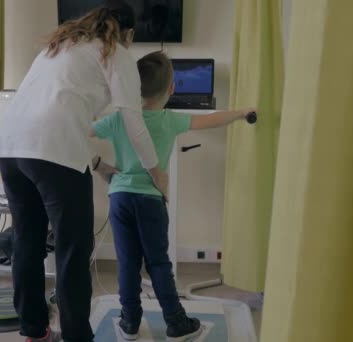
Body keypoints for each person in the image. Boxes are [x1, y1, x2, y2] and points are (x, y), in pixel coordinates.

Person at [0, 2, 168, 341]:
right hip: (52, 153)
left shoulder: (58, 48)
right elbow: (134, 122)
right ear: (127, 32)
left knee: (27, 242)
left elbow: (60, 113)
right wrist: (157, 173)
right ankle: (75, 337)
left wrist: (98, 165)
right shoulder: (116, 53)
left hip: (11, 148)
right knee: (72, 250)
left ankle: (34, 332)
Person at [91, 51, 256, 341]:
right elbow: (214, 120)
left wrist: (97, 160)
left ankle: (129, 323)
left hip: (119, 199)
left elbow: (82, 130)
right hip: (150, 201)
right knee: (157, 263)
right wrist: (242, 112)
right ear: (172, 88)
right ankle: (177, 323)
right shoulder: (170, 120)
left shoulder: (117, 120)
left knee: (128, 263)